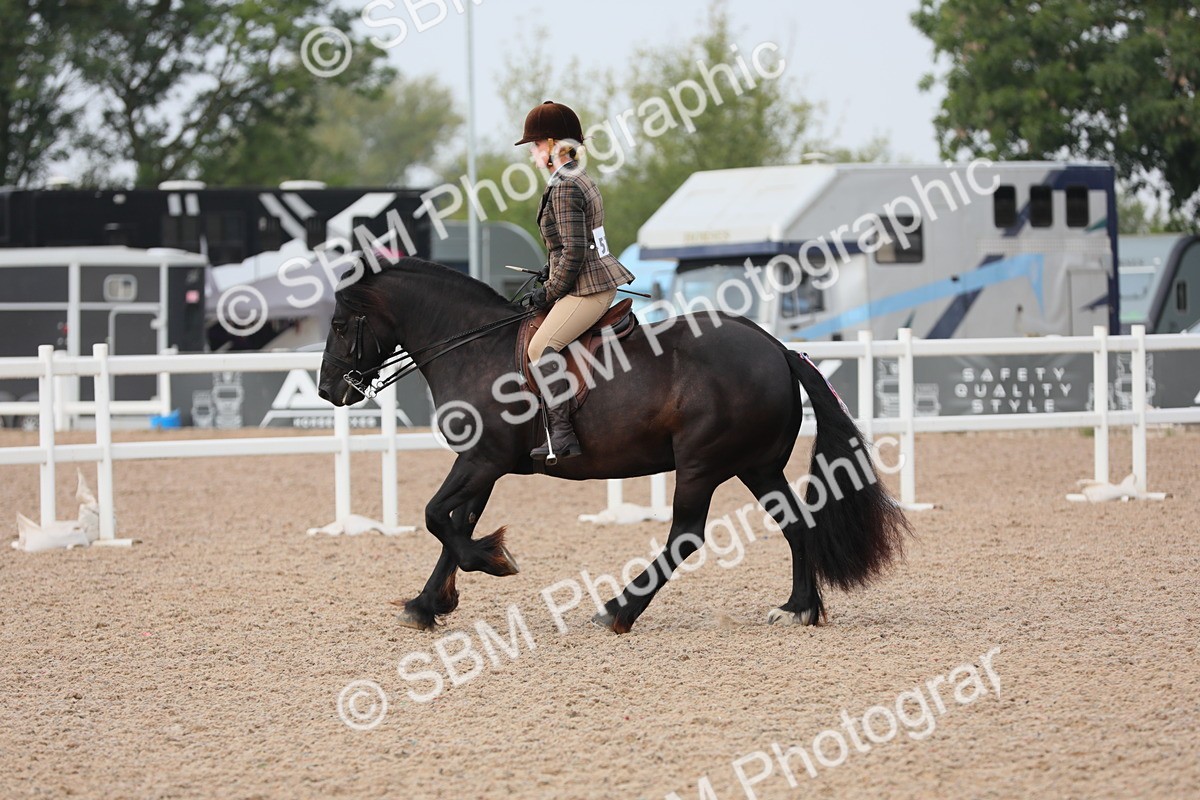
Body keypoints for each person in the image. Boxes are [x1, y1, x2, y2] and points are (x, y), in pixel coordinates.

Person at [515, 100, 635, 462]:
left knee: (539, 348)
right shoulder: (575, 177)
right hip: (589, 279)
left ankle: (562, 435)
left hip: (588, 287)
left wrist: (549, 291)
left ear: (552, 144)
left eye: (535, 145)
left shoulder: (565, 186)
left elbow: (575, 251)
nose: (533, 153)